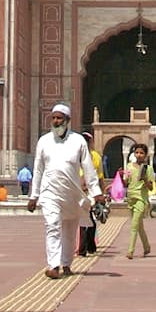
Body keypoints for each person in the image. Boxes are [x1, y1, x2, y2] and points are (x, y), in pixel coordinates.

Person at [27, 103, 97, 279]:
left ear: (68, 121)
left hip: (71, 193)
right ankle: (54, 265)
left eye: (60, 118)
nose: (56, 121)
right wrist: (34, 195)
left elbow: (88, 167)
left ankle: (66, 263)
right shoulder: (44, 141)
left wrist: (96, 192)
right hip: (50, 192)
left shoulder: (78, 141)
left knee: (69, 230)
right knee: (52, 226)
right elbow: (38, 169)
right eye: (54, 118)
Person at [123, 143, 156, 260]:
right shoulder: (129, 166)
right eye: (137, 152)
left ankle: (130, 251)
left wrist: (145, 179)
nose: (139, 155)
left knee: (134, 225)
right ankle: (147, 247)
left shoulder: (148, 169)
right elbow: (125, 183)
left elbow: (151, 187)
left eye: (141, 153)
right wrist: (122, 175)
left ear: (146, 155)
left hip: (141, 199)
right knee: (139, 226)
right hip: (131, 198)